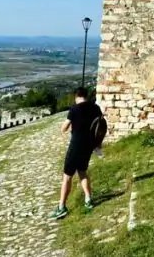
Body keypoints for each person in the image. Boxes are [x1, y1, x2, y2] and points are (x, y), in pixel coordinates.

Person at [48, 86, 103, 220]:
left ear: (76, 96)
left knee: (67, 177)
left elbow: (64, 128)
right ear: (87, 96)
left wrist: (71, 123)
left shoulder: (74, 109)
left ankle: (61, 207)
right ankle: (88, 200)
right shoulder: (95, 108)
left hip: (76, 146)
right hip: (88, 146)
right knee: (82, 172)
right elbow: (100, 124)